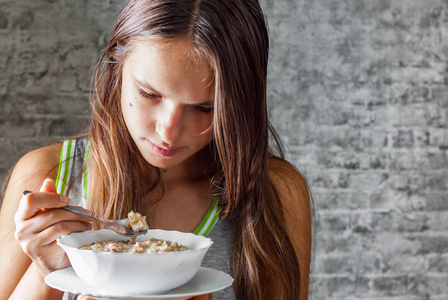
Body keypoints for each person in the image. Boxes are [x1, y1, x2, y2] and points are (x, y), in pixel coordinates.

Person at [0, 0, 312, 299]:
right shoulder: (49, 175)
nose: (168, 132)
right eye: (149, 94)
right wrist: (47, 271)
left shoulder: (277, 192)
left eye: (204, 107)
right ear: (116, 67)